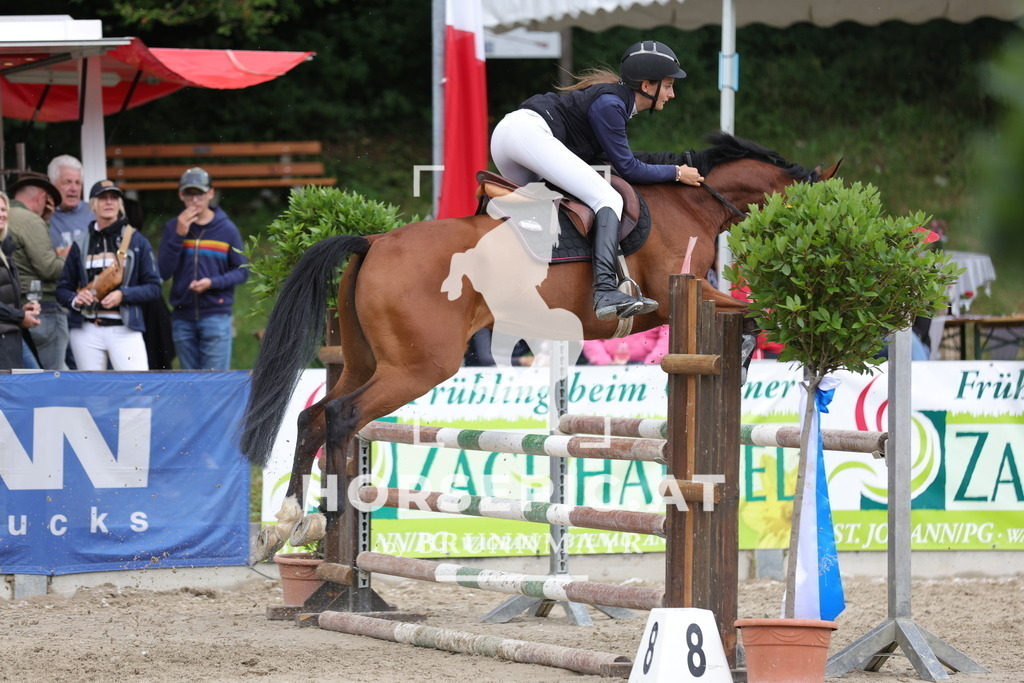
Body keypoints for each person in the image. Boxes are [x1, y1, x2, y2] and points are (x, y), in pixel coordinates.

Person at [490, 40, 704, 321]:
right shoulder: (611, 105)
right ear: (646, 86)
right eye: (667, 85)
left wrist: (670, 161)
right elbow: (628, 168)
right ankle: (605, 289)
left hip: (511, 138)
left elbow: (621, 159)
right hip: (527, 135)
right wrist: (676, 173)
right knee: (608, 198)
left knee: (551, 209)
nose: (672, 94)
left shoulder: (614, 103)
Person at [55, 180, 162, 371]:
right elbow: (63, 289)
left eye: (114, 198)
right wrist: (76, 298)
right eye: (103, 198)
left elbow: (154, 287)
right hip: (86, 330)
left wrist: (124, 295)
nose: (109, 202)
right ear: (93, 205)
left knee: (138, 390)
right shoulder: (80, 243)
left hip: (125, 329)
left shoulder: (137, 240)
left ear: (119, 204)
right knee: (92, 394)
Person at [158, 167, 248, 370]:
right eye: (189, 194)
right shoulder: (173, 228)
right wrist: (178, 235)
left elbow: (242, 271)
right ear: (181, 195)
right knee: (191, 382)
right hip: (182, 316)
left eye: (199, 193)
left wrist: (212, 283)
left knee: (215, 381)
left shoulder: (227, 229)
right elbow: (163, 272)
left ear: (210, 193)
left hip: (216, 315)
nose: (194, 200)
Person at [7, 171, 69, 369]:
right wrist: (67, 258)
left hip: (15, 310)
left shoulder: (7, 216)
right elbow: (49, 268)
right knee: (53, 378)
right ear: (42, 197)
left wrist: (44, 221)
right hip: (42, 310)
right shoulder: (30, 221)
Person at [0, 191, 42, 369]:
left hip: (11, 333)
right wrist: (20, 315)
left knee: (35, 385)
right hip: (5, 335)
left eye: (3, 209)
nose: (2, 214)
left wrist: (22, 308)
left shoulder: (5, 249)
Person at [47, 154, 94, 251]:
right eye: (67, 182)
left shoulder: (93, 212)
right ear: (53, 184)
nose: (74, 189)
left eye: (78, 183)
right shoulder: (44, 215)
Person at [582, 326, 669, 365]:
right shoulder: (601, 303)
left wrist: (651, 362)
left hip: (651, 367)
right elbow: (590, 335)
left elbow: (667, 335)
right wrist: (605, 363)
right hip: (604, 366)